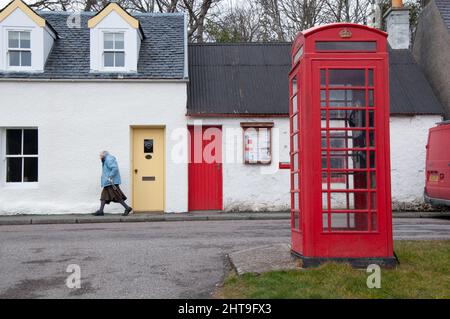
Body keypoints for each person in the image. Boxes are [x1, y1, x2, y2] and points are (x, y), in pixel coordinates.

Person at [93, 151, 133, 216]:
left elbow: (115, 168)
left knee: (117, 196)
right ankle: (101, 211)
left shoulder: (109, 159)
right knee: (103, 197)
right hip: (108, 182)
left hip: (111, 182)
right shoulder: (106, 159)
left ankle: (127, 208)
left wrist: (110, 177)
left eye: (100, 156)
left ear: (103, 155)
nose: (99, 157)